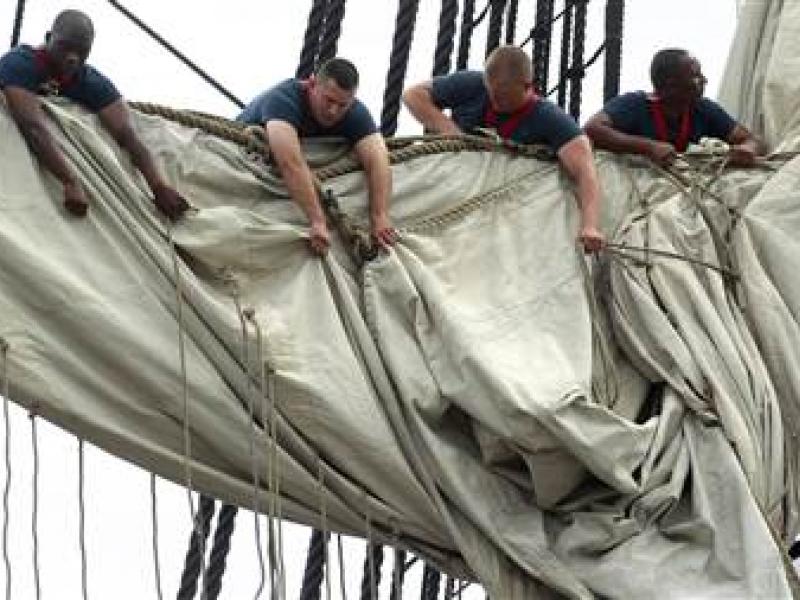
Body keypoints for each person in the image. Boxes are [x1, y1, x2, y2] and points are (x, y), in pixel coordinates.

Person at [402, 45, 604, 253]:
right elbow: (413, 95)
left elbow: (585, 170)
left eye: (505, 97)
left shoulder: (549, 119)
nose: (496, 103)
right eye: (492, 94)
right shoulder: (473, 84)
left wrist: (590, 225)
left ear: (527, 87)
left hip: (501, 208)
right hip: (453, 188)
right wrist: (453, 134)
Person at [0, 10, 188, 220]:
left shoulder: (90, 81)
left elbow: (128, 134)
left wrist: (158, 185)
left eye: (82, 51)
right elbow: (33, 126)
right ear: (48, 38)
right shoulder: (19, 63)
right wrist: (70, 181)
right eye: (65, 47)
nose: (72, 58)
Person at [237, 58, 395, 255]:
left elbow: (378, 159)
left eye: (342, 105)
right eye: (328, 100)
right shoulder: (283, 99)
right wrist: (317, 220)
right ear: (311, 85)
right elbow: (290, 162)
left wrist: (379, 216)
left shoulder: (354, 112)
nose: (333, 111)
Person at [584, 48, 765, 167]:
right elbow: (592, 129)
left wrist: (748, 149)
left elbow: (751, 139)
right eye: (695, 76)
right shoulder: (634, 104)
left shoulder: (704, 109)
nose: (704, 80)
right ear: (671, 84)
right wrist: (648, 147)